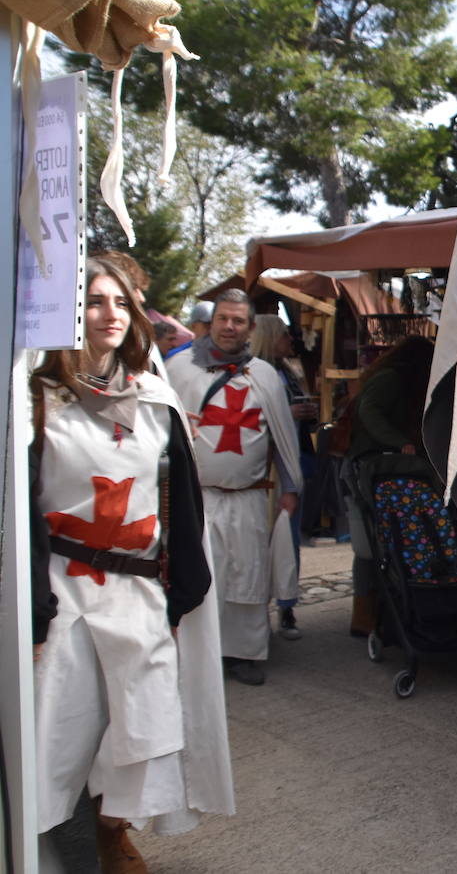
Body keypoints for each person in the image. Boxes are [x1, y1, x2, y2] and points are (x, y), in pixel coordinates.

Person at [30, 255, 232, 872]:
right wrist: (34, 611)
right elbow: (19, 514)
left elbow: (182, 507)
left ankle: (112, 833)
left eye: (119, 302)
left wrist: (181, 596)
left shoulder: (154, 396)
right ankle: (49, 840)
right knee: (59, 726)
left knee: (136, 728)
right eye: (93, 301)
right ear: (68, 311)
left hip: (141, 592)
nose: (108, 314)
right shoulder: (35, 401)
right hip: (66, 592)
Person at [166, 288, 302, 685]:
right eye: (223, 319)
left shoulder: (263, 375)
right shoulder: (179, 369)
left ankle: (243, 654)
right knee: (200, 574)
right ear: (212, 322)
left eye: (238, 321)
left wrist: (291, 488)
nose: (229, 327)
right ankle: (198, 656)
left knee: (247, 576)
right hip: (197, 498)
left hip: (249, 497)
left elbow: (282, 435)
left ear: (250, 327)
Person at [345, 336, 437, 636]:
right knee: (370, 545)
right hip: (369, 469)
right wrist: (401, 443)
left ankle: (375, 612)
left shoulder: (393, 379)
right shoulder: (391, 379)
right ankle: (365, 614)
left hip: (378, 468)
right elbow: (368, 411)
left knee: (379, 543)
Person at [251, 314, 319, 641]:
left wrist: (305, 414)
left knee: (288, 540)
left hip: (293, 464)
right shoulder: (256, 374)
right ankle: (262, 609)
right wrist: (286, 415)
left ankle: (287, 606)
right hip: (269, 470)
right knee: (270, 539)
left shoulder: (287, 373)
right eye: (284, 336)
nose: (290, 341)